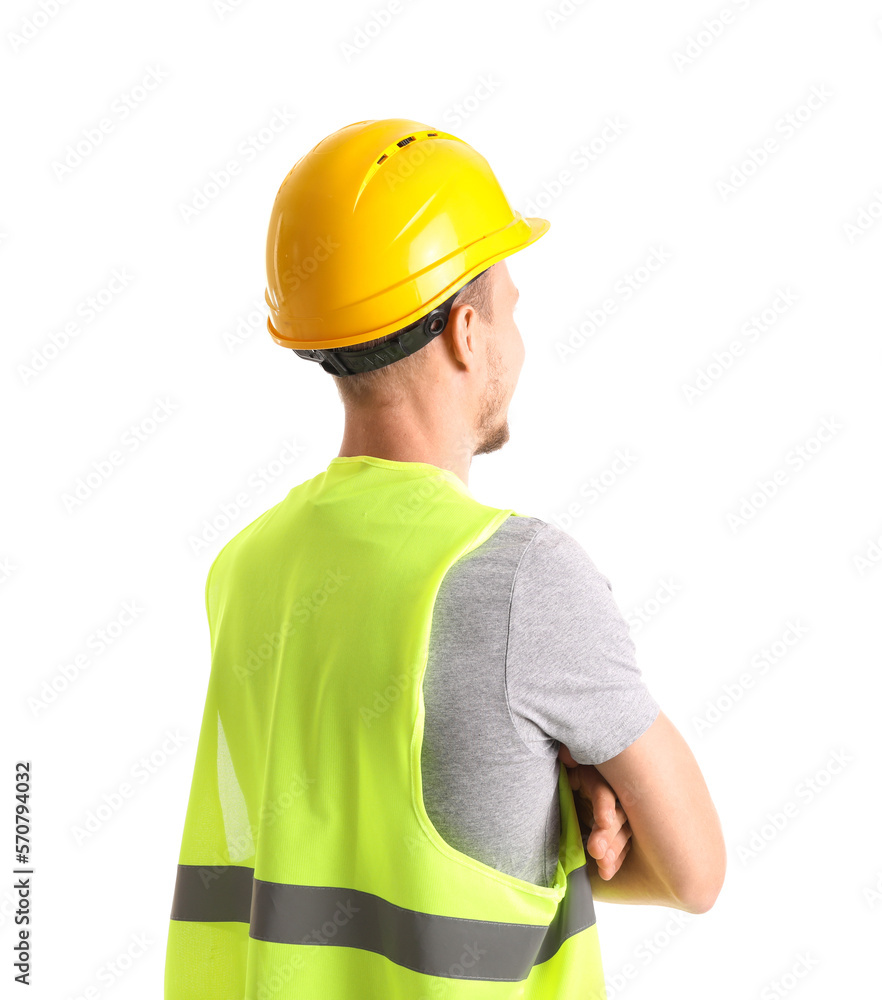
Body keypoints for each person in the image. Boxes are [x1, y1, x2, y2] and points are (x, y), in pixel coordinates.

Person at [164, 118, 726, 1000]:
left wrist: (540, 816)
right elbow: (694, 872)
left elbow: (334, 838)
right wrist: (574, 823)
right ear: (468, 332)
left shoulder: (244, 567)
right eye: (511, 309)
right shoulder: (521, 579)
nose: (520, 341)